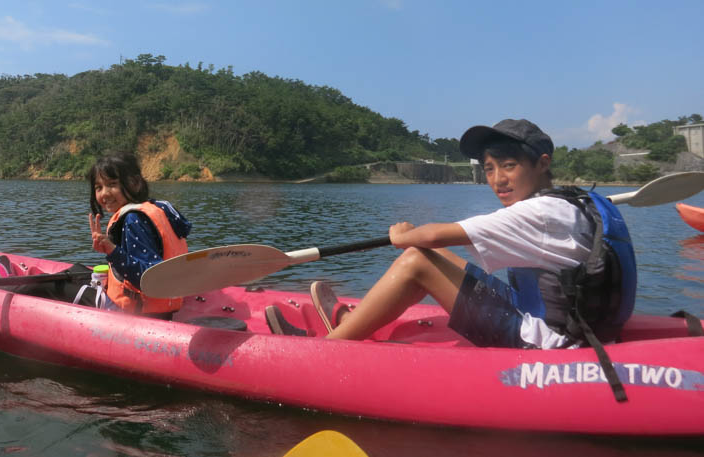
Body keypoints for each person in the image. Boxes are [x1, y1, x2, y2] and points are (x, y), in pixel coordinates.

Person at [267, 118, 636, 358]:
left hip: (546, 345)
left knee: (416, 258)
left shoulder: (538, 213)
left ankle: (326, 350)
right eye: (489, 169)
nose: (497, 180)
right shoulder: (581, 201)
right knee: (440, 261)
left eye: (509, 166)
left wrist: (404, 234)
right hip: (574, 325)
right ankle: (358, 320)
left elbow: (433, 236)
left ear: (542, 163)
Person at [86, 151, 192, 318]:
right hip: (168, 305)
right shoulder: (159, 207)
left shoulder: (133, 219)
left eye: (112, 184)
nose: (104, 193)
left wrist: (112, 251)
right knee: (76, 271)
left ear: (135, 183)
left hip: (141, 313)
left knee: (42, 289)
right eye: (99, 187)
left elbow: (150, 278)